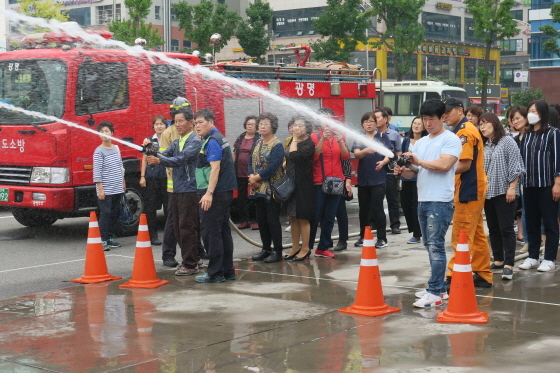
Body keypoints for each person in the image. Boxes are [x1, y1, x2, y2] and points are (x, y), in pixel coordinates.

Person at [394, 99, 461, 308]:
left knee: (436, 246)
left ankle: (435, 292)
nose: (427, 123)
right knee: (428, 245)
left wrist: (418, 162)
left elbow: (444, 164)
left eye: (431, 119)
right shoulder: (421, 142)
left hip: (440, 200)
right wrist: (402, 170)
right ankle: (438, 287)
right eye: (424, 119)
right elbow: (414, 172)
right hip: (423, 199)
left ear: (442, 118)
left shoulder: (451, 139)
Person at [146, 108, 202, 276]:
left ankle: (191, 264)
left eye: (180, 121)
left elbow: (180, 160)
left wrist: (159, 160)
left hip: (190, 189)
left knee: (186, 226)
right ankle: (192, 258)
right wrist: (149, 149)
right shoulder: (178, 141)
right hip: (177, 189)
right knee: (178, 227)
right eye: (175, 121)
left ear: (190, 123)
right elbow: (164, 153)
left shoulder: (194, 141)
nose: (177, 124)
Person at [443, 98, 492, 289]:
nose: (444, 116)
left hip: (468, 189)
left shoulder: (464, 131)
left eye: (448, 112)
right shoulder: (463, 130)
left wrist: (440, 169)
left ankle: (453, 276)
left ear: (459, 110)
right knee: (477, 233)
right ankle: (482, 273)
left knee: (462, 234)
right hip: (473, 188)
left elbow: (464, 163)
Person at [479, 113, 525, 280]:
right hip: (488, 193)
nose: (482, 127)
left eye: (485, 123)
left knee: (506, 229)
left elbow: (516, 166)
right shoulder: (485, 144)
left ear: (495, 124)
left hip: (505, 191)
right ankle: (498, 260)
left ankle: (508, 264)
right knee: (493, 228)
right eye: (480, 124)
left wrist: (512, 187)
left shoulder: (507, 142)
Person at [194, 108, 238, 283]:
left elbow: (215, 168)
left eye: (201, 122)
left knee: (211, 234)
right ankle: (228, 271)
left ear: (211, 122)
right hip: (224, 192)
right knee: (223, 233)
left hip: (216, 193)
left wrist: (209, 193)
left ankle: (215, 273)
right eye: (195, 123)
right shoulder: (218, 138)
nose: (197, 126)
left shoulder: (212, 141)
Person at [518, 100, 560, 272]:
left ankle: (549, 258)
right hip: (528, 184)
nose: (530, 114)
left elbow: (558, 160)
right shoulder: (526, 135)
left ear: (542, 113)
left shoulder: (553, 133)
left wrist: (557, 183)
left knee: (550, 222)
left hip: (547, 185)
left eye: (534, 111)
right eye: (529, 111)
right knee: (532, 223)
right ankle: (533, 256)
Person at [309, 108, 350, 258]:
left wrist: (339, 141)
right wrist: (322, 139)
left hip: (337, 181)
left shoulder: (340, 137)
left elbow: (346, 157)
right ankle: (307, 247)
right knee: (316, 215)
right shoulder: (314, 137)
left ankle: (323, 247)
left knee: (330, 216)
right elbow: (314, 157)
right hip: (319, 181)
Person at [248, 113, 285, 263]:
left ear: (273, 127)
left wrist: (257, 177)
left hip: (271, 189)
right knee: (261, 220)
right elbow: (250, 161)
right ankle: (265, 249)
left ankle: (277, 251)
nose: (262, 126)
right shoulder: (257, 142)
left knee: (272, 220)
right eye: (260, 123)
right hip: (257, 188)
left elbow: (274, 166)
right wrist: (251, 177)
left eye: (266, 124)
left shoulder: (277, 145)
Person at [352, 112, 391, 248]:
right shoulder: (359, 138)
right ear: (362, 124)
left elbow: (389, 154)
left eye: (371, 121)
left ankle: (382, 238)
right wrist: (365, 151)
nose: (368, 124)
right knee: (363, 209)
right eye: (366, 121)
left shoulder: (382, 136)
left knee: (377, 208)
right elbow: (357, 154)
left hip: (378, 179)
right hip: (363, 179)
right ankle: (363, 236)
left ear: (376, 123)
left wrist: (383, 162)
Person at [283, 116, 316, 261]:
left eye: (300, 125)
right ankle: (295, 247)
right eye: (295, 125)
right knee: (293, 217)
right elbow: (287, 158)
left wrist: (295, 139)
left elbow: (294, 156)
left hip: (303, 184)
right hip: (291, 182)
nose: (296, 128)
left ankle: (305, 248)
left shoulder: (309, 143)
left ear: (307, 128)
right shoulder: (291, 140)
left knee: (303, 217)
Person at [93, 121, 125, 251]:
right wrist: (100, 189)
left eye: (107, 131)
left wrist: (123, 181)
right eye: (101, 131)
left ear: (112, 133)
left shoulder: (116, 148)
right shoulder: (99, 151)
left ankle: (110, 237)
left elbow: (120, 166)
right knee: (105, 214)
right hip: (106, 189)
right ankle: (103, 239)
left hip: (117, 187)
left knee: (114, 213)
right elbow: (97, 172)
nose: (104, 134)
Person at [140, 115, 168, 246]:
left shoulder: (170, 140)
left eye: (161, 124)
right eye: (156, 124)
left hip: (167, 179)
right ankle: (153, 236)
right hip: (152, 178)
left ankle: (170, 234)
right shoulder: (148, 141)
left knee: (169, 208)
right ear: (153, 127)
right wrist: (142, 176)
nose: (159, 126)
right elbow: (144, 159)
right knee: (151, 209)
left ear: (166, 125)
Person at [375, 109, 402, 234]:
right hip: (376, 169)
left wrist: (396, 166)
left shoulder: (394, 134)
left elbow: (398, 152)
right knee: (376, 199)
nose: (375, 121)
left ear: (386, 119)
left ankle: (395, 225)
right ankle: (375, 224)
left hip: (390, 170)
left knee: (392, 198)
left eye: (378, 118)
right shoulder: (371, 134)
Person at [400, 116, 427, 244]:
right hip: (406, 177)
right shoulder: (406, 140)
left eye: (419, 124)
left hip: (419, 178)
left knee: (417, 206)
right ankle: (413, 230)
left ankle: (417, 234)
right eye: (414, 123)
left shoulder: (425, 141)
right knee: (405, 205)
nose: (416, 126)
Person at [232, 115, 260, 230]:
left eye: (253, 124)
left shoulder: (259, 138)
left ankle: (258, 221)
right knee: (241, 198)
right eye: (248, 124)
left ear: (257, 126)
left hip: (253, 172)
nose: (250, 126)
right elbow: (235, 152)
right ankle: (245, 220)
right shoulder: (241, 137)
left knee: (257, 196)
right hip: (240, 171)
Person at [510, 106, 530, 252]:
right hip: (520, 180)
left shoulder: (533, 136)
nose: (514, 122)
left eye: (517, 118)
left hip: (535, 179)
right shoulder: (515, 139)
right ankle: (528, 241)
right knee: (524, 210)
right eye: (512, 119)